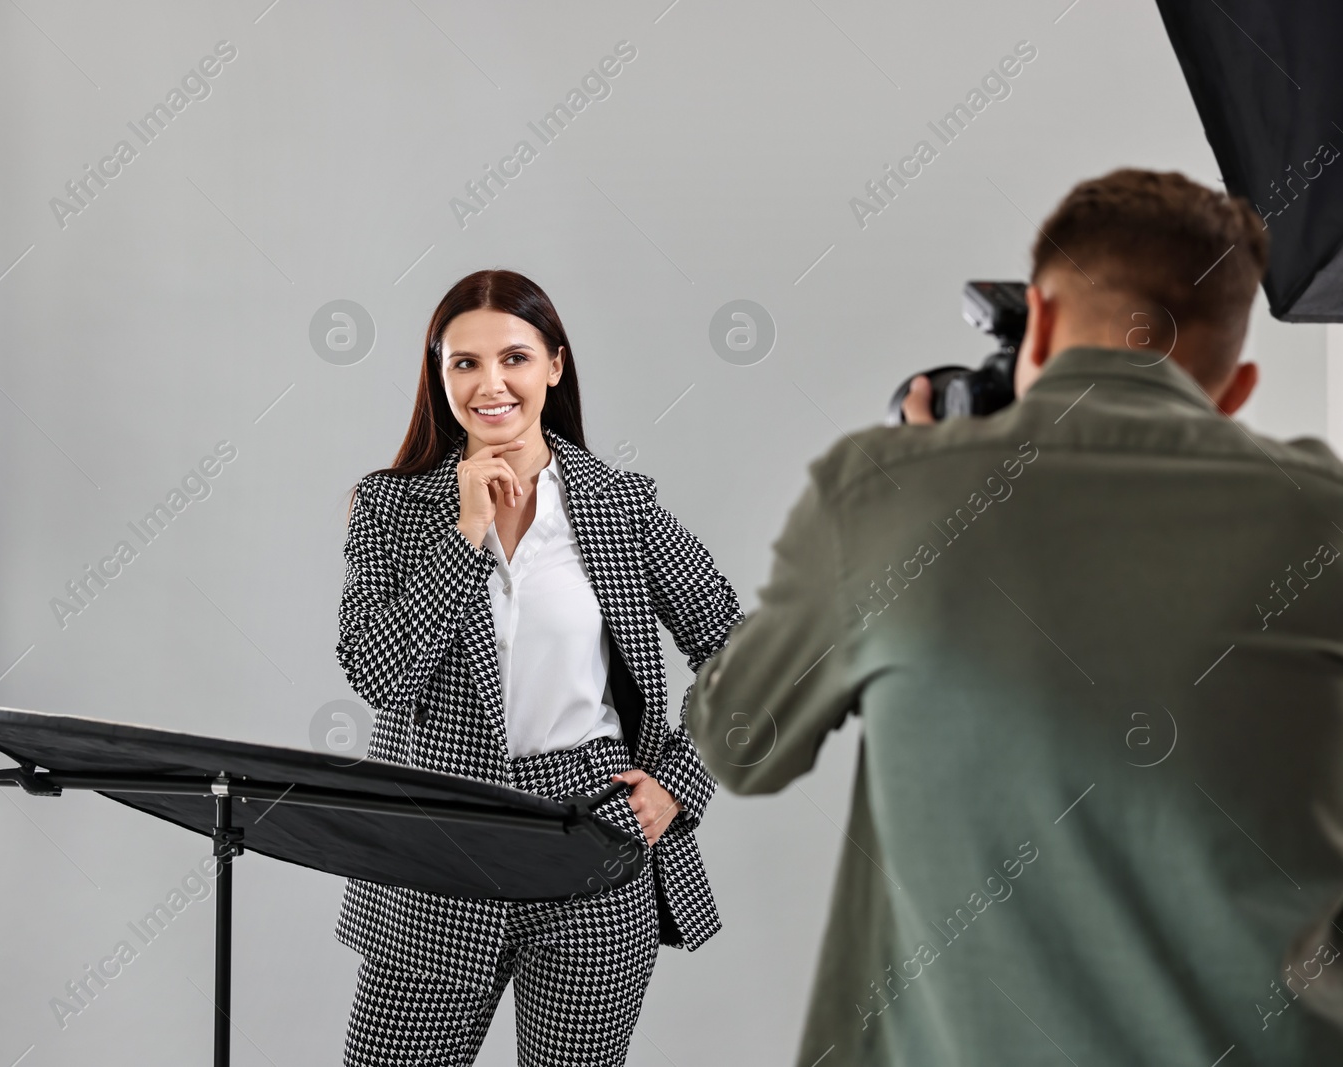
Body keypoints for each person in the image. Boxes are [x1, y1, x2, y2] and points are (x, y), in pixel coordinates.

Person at [685, 168, 1343, 1064]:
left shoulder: (882, 493)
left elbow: (740, 743)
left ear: (1035, 318)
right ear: (1235, 389)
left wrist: (904, 489)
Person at [334, 268, 744, 1066]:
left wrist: (679, 783)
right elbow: (380, 675)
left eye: (514, 358)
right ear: (438, 374)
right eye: (465, 363)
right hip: (435, 850)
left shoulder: (618, 507)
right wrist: (465, 532)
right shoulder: (389, 508)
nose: (491, 384)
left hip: (591, 841)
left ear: (554, 365)